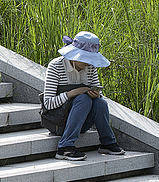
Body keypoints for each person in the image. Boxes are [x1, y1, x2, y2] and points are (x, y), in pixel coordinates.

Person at [41, 32, 124, 161]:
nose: (88, 63)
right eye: (85, 58)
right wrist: (74, 93)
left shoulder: (90, 68)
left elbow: (99, 95)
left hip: (81, 121)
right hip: (57, 121)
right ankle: (65, 147)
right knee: (83, 99)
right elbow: (48, 103)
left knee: (100, 103)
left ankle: (107, 142)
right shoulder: (56, 66)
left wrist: (96, 95)